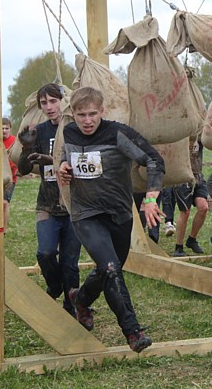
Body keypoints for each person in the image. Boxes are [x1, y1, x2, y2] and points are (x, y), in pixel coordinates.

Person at [58, 87, 164, 353]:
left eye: (93, 114)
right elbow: (63, 156)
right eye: (81, 115)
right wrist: (62, 166)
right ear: (73, 114)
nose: (87, 120)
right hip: (85, 214)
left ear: (102, 112)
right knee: (109, 266)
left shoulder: (118, 133)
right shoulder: (69, 132)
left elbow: (153, 159)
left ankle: (80, 299)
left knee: (109, 269)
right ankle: (133, 331)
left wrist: (150, 197)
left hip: (119, 214)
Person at [18, 83, 81, 317]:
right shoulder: (40, 131)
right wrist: (26, 148)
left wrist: (52, 160)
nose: (49, 107)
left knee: (70, 262)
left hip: (74, 204)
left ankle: (71, 306)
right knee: (44, 253)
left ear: (62, 101)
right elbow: (24, 170)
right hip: (46, 203)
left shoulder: (75, 127)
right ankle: (55, 285)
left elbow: (84, 164)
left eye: (53, 101)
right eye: (44, 103)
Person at [170, 140, 210, 257]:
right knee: (185, 212)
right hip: (182, 179)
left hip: (198, 177)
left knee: (203, 208)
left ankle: (192, 240)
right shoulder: (179, 138)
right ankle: (179, 247)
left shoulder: (199, 138)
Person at [2, 117, 18, 233]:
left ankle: (3, 229)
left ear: (10, 129)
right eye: (1, 128)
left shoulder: (15, 141)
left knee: (5, 203)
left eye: (6, 128)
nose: (4, 130)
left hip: (10, 178)